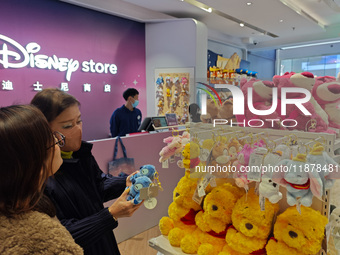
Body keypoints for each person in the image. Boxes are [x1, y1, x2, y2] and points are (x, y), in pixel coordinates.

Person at [31, 88, 141, 255]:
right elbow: (58, 236)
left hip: (103, 242)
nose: (78, 129)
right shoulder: (37, 177)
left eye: (79, 121)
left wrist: (126, 182)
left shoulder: (81, 153)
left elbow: (97, 184)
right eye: (68, 125)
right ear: (44, 130)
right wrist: (110, 215)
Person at [0, 105, 83, 254]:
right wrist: (110, 214)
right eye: (50, 137)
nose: (58, 141)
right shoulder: (46, 241)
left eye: (79, 121)